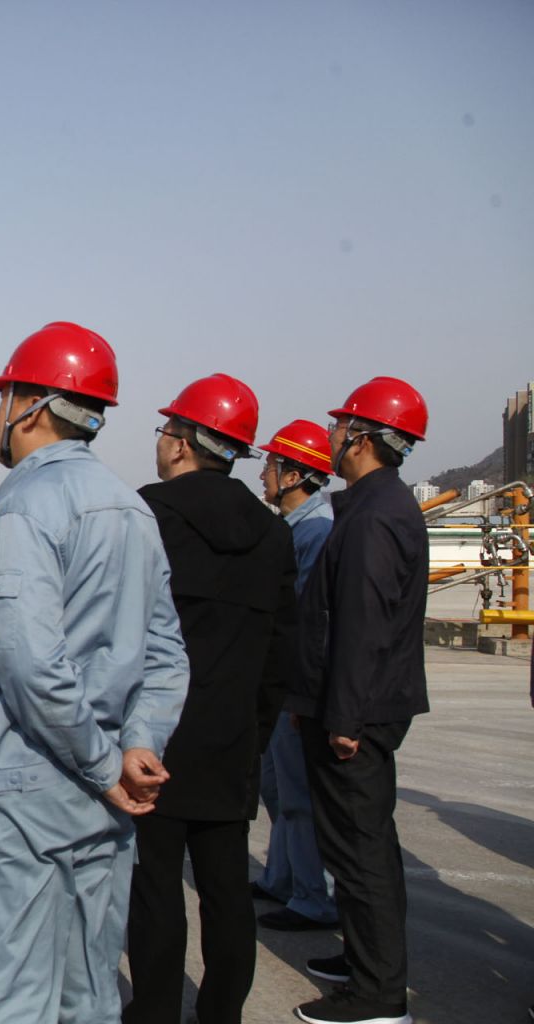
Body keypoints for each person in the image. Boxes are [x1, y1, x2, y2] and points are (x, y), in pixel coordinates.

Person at [0, 321, 190, 1024]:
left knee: (13, 999)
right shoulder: (132, 508)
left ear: (29, 406)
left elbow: (31, 664)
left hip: (24, 784)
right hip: (106, 792)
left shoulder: (26, 504)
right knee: (89, 996)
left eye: (5, 396)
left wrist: (102, 765)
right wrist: (137, 747)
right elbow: (167, 653)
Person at [123, 375, 297, 1024]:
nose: (160, 442)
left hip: (155, 735)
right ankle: (222, 1013)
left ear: (183, 442)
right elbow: (281, 650)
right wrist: (254, 729)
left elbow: (119, 631)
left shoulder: (148, 514)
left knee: (155, 887)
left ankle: (155, 1012)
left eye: (166, 429)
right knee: (226, 890)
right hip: (233, 736)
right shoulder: (273, 533)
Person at [286, 377, 430, 1024]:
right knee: (358, 846)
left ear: (364, 438)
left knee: (361, 850)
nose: (332, 436)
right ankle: (367, 962)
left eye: (341, 426)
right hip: (359, 704)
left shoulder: (374, 517)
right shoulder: (374, 506)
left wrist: (343, 717)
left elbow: (362, 626)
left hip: (357, 713)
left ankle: (377, 994)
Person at [254, 420, 340, 932]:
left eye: (270, 465)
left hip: (295, 691)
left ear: (293, 477)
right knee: (278, 788)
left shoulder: (316, 533)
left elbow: (306, 623)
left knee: (299, 798)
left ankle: (313, 898)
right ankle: (282, 878)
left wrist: (299, 697)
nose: (263, 474)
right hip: (280, 688)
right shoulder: (295, 529)